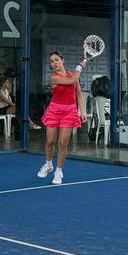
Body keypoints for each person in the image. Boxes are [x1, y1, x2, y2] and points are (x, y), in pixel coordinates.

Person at [35, 51, 86, 185]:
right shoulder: (54, 78)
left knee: (62, 143)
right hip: (54, 110)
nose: (54, 63)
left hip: (69, 111)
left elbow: (79, 94)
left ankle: (58, 171)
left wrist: (82, 111)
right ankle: (48, 164)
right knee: (50, 141)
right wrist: (80, 66)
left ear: (62, 60)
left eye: (56, 60)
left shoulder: (72, 75)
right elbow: (71, 80)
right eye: (51, 62)